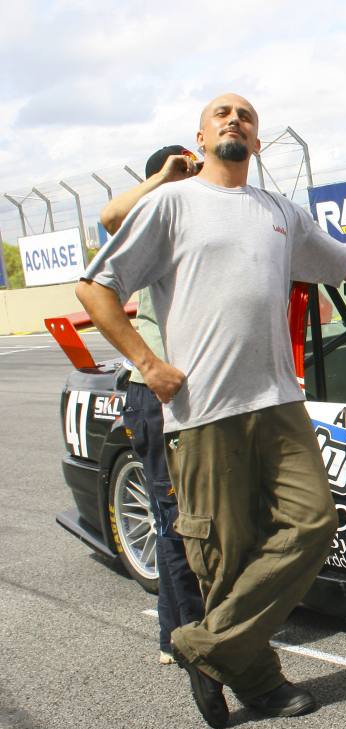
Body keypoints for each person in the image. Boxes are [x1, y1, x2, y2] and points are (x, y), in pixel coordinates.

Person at [76, 93, 346, 729]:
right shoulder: (170, 205)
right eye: (222, 114)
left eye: (245, 116)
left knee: (314, 522)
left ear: (259, 141)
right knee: (224, 553)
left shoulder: (279, 214)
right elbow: (96, 289)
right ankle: (257, 678)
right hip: (203, 409)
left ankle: (205, 647)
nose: (234, 121)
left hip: (278, 400)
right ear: (200, 135)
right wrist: (148, 363)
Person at [100, 145, 205, 667]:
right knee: (175, 517)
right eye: (181, 170)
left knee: (201, 515)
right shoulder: (147, 226)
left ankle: (186, 628)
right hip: (155, 390)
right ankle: (181, 634)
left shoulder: (199, 218)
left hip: (204, 390)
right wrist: (165, 177)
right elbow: (111, 216)